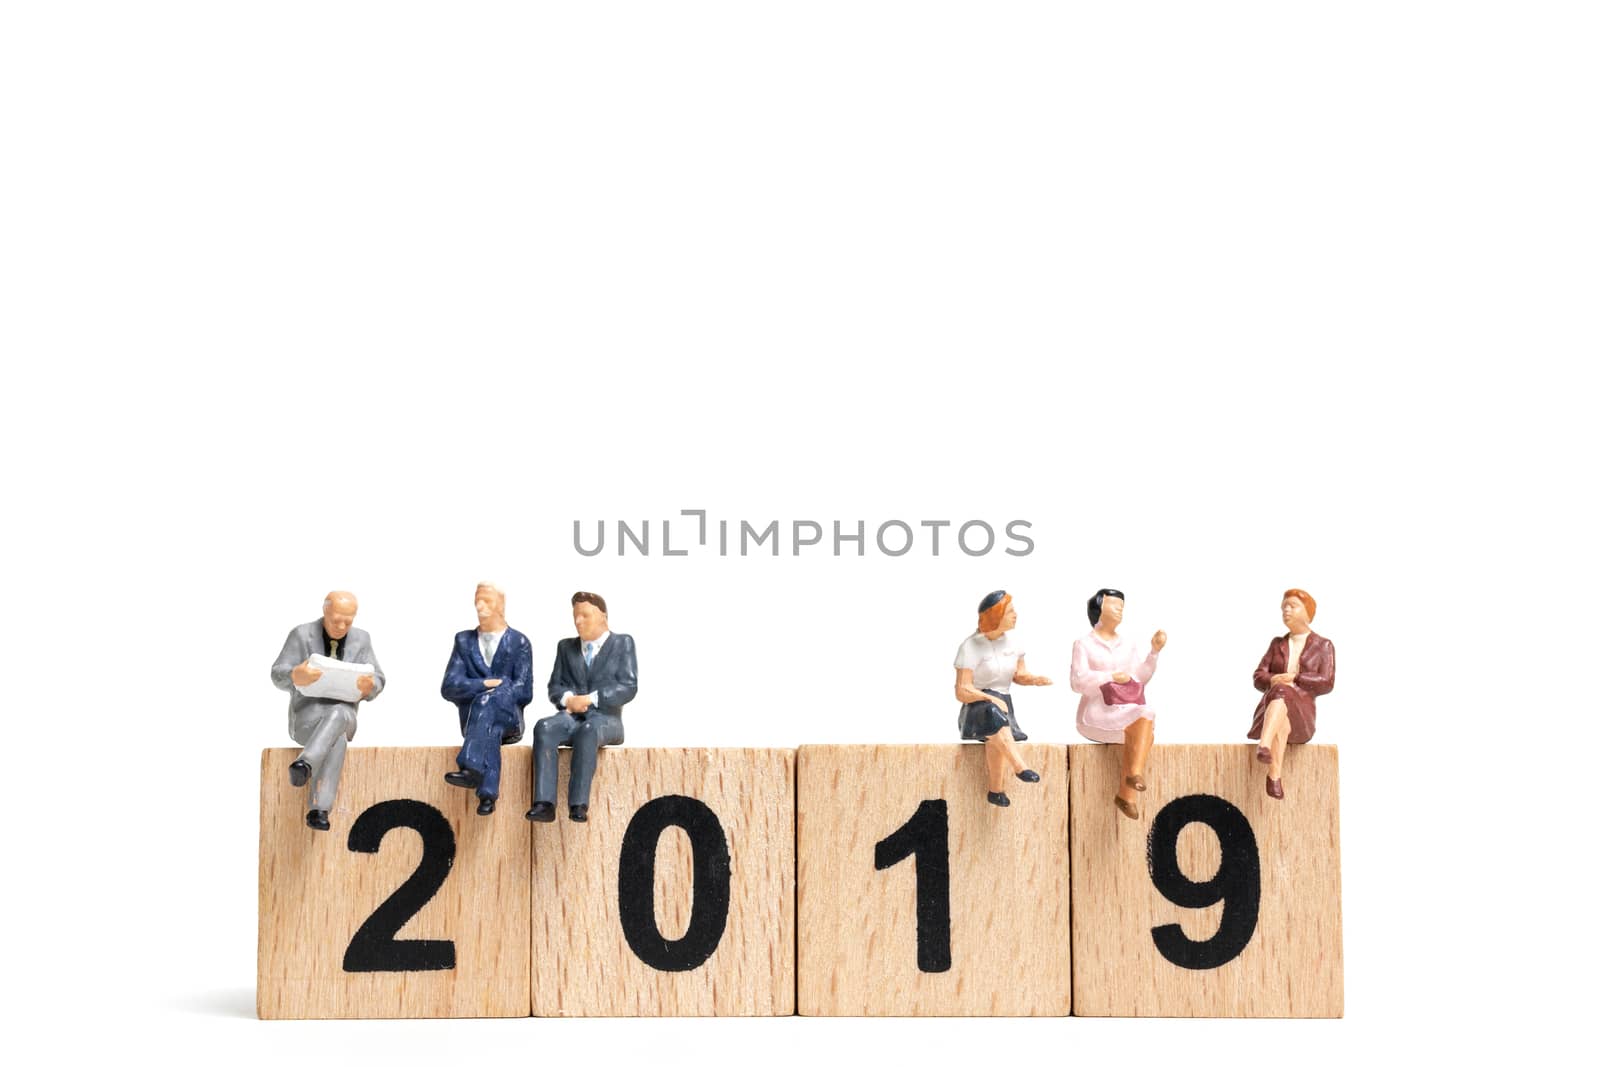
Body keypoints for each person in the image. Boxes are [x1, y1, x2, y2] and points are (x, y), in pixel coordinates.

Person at [270, 591, 385, 831]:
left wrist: (369, 685)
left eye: (348, 620)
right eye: (336, 620)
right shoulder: (301, 635)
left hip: (346, 716)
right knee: (338, 740)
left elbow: (378, 679)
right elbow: (277, 674)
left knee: (340, 712)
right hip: (307, 719)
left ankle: (306, 763)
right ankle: (319, 811)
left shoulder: (362, 639)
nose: (342, 626)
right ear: (325, 611)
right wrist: (295, 675)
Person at [526, 591, 638, 824]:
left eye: (585, 615)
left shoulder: (622, 643)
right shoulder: (566, 647)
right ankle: (544, 802)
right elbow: (555, 686)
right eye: (576, 616)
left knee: (588, 731)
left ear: (603, 617)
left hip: (606, 720)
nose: (579, 621)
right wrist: (568, 700)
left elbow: (628, 686)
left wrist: (592, 698)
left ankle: (578, 804)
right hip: (572, 716)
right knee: (544, 727)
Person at [1069, 588, 1166, 820]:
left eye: (1122, 606)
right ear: (1099, 609)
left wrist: (1154, 652)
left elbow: (1139, 677)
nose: (1120, 610)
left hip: (1123, 710)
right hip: (1096, 714)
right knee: (1146, 730)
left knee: (1146, 716)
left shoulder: (1127, 643)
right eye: (1114, 606)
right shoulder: (1083, 644)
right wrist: (1110, 676)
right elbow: (1077, 682)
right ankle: (1128, 787)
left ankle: (1129, 787)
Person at [441, 583, 534, 815]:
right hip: (475, 722)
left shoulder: (519, 642)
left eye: (488, 601)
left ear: (500, 606)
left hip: (508, 717)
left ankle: (470, 764)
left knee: (486, 705)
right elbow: (449, 686)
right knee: (489, 732)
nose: (481, 606)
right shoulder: (464, 641)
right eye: (478, 600)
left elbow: (524, 691)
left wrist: (496, 694)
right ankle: (487, 795)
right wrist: (483, 685)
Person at [953, 590, 1049, 807]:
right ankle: (1020, 767)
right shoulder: (970, 647)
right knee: (994, 716)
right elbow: (962, 690)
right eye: (1010, 611)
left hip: (1004, 703)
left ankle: (995, 791)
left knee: (995, 738)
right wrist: (987, 698)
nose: (1016, 615)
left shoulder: (1014, 644)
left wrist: (1033, 679)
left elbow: (1018, 675)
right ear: (996, 615)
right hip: (977, 706)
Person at [1248, 589, 1335, 800]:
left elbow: (1327, 682)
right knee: (1282, 722)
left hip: (1302, 714)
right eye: (1283, 607)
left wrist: (1295, 678)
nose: (1286, 610)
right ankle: (1274, 777)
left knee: (1282, 691)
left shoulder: (1323, 645)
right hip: (1277, 711)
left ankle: (1264, 743)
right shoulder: (1277, 644)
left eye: (1292, 606)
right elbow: (1258, 676)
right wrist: (1272, 679)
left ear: (1307, 612)